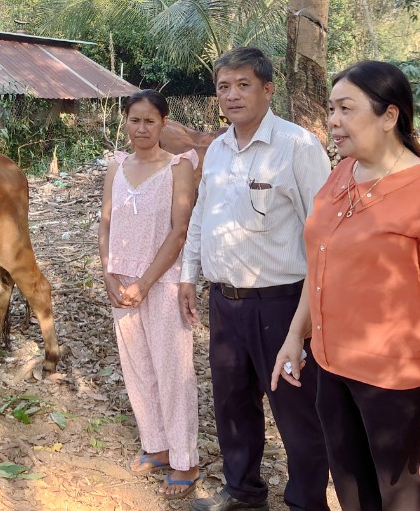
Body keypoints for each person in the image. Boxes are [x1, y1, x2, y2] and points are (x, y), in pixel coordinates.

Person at [271, 60, 420, 511]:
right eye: (331, 109)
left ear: (389, 116)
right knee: (353, 494)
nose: (333, 121)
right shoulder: (340, 175)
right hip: (332, 370)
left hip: (396, 385)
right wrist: (294, 335)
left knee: (404, 502)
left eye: (346, 108)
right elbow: (319, 263)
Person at [178, 47, 333, 511]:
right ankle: (243, 491)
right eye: (224, 87)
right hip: (224, 301)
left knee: (296, 409)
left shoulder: (298, 146)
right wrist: (189, 274)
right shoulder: (218, 150)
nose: (232, 95)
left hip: (282, 304)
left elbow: (323, 232)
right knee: (231, 403)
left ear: (268, 89)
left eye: (243, 85)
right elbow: (202, 215)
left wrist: (310, 314)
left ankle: (307, 502)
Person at [100, 89, 202, 499]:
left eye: (150, 121)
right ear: (125, 122)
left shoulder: (179, 167)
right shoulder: (116, 166)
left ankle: (186, 460)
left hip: (162, 284)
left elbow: (179, 232)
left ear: (163, 124)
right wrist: (109, 273)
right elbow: (105, 224)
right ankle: (157, 446)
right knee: (137, 367)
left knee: (173, 371)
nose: (141, 128)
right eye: (134, 119)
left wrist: (144, 283)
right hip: (121, 282)